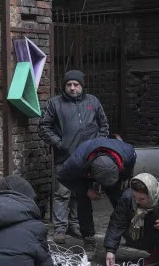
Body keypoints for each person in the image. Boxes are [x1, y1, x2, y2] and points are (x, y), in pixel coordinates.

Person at [38, 70, 109, 245]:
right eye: (69, 85)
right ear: (64, 86)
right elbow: (43, 127)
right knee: (62, 192)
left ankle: (75, 224)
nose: (72, 88)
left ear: (82, 86)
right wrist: (59, 143)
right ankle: (60, 228)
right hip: (65, 157)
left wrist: (97, 145)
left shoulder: (93, 102)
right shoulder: (55, 104)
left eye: (76, 85)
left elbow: (104, 125)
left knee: (80, 193)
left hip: (88, 157)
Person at [57, 137, 136, 250]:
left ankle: (130, 234)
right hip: (84, 170)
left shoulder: (128, 154)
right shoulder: (76, 163)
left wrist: (124, 182)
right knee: (83, 203)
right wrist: (86, 190)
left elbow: (128, 173)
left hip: (113, 165)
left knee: (121, 201)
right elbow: (61, 177)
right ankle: (88, 240)